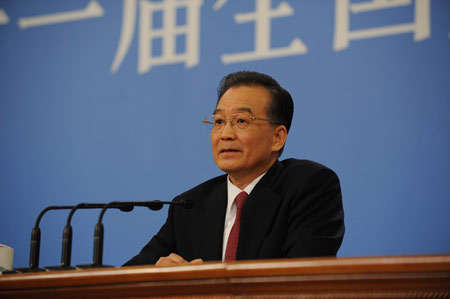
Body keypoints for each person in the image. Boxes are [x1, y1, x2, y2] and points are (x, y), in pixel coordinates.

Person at [124, 71, 345, 266]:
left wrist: (204, 287)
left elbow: (300, 280)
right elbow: (126, 280)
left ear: (277, 137)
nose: (225, 134)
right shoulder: (189, 206)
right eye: (219, 121)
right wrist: (159, 277)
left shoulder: (309, 186)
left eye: (241, 121)